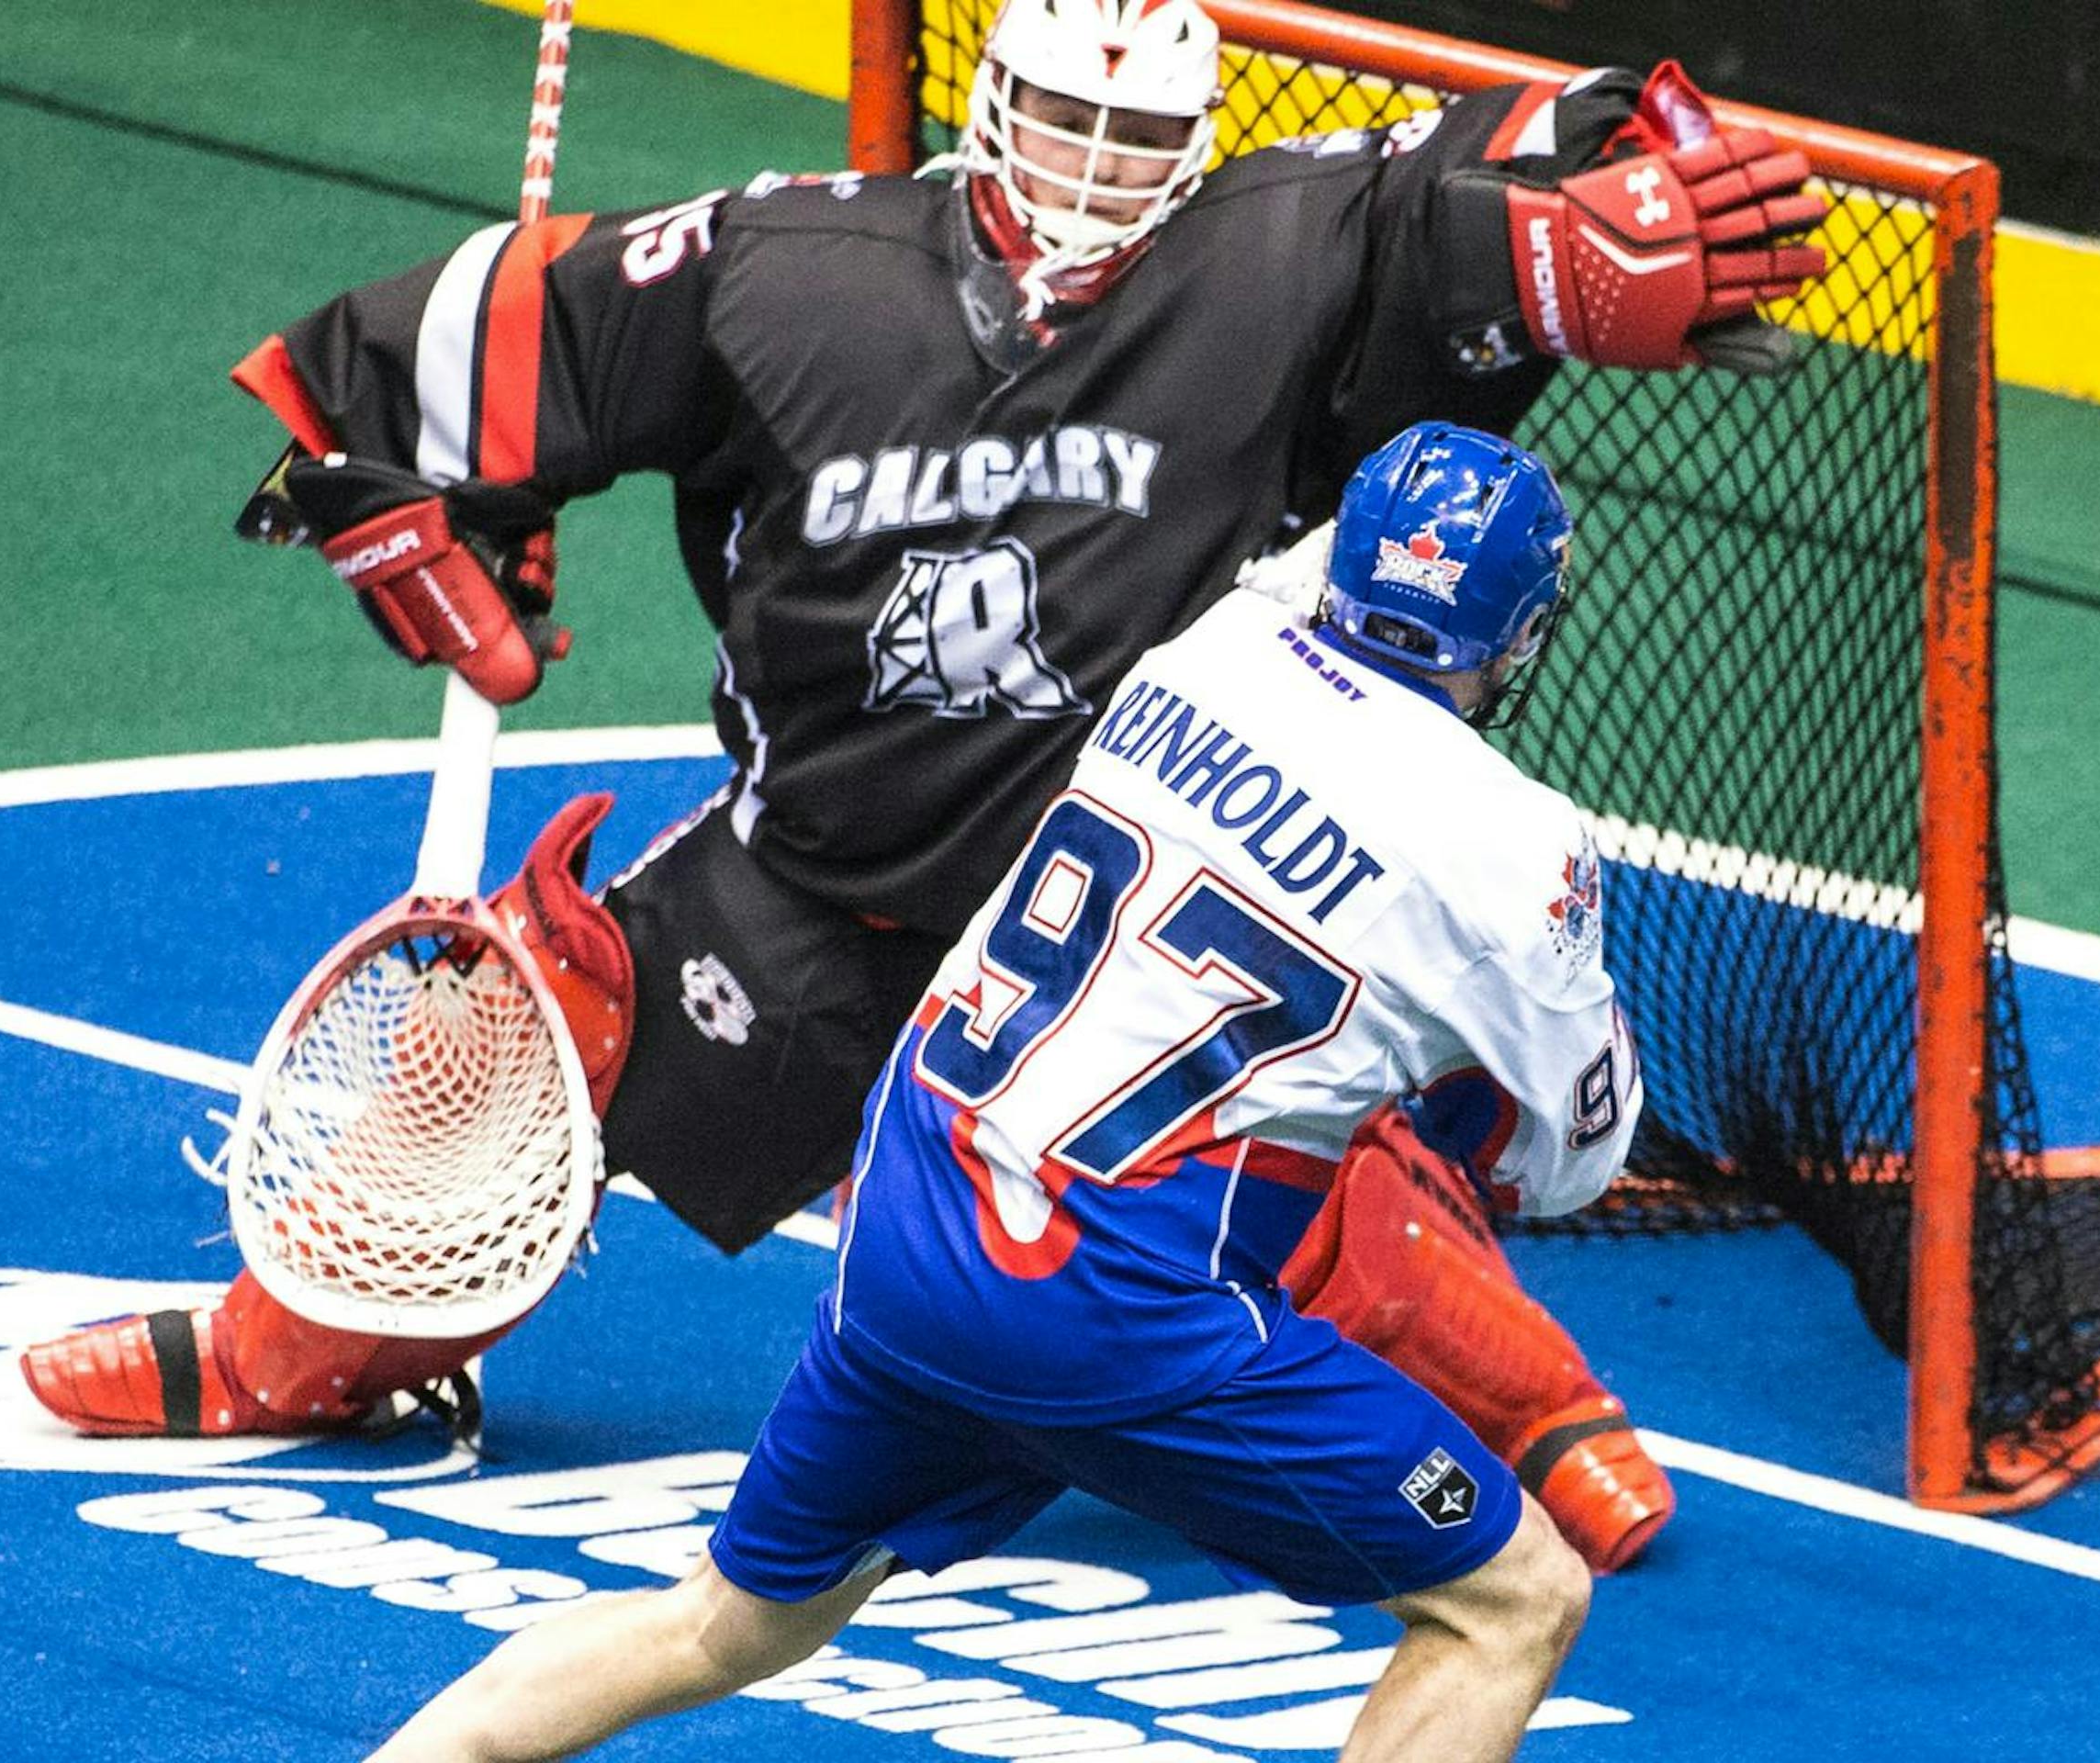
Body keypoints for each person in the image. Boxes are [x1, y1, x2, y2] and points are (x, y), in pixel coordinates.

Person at [18, 0, 1820, 1570]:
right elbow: (469, 344)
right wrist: (425, 510)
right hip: (813, 881)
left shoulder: (1271, 249)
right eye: (1067, 120)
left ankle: (1535, 1404)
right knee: (536, 994)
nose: (1101, 168)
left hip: (1124, 911)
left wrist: (1594, 203)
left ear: (1199, 145)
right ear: (991, 113)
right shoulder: (787, 266)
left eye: (1143, 135)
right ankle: (287, 1349)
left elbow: (1482, 173)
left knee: (1290, 1105)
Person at [367, 421, 1638, 1763]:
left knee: (723, 1626)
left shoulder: (1205, 649)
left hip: (913, 1231)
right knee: (1514, 1602)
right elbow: (1570, 1163)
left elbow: (1312, 591)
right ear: (1519, 635)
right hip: (1119, 1313)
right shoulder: (1516, 847)